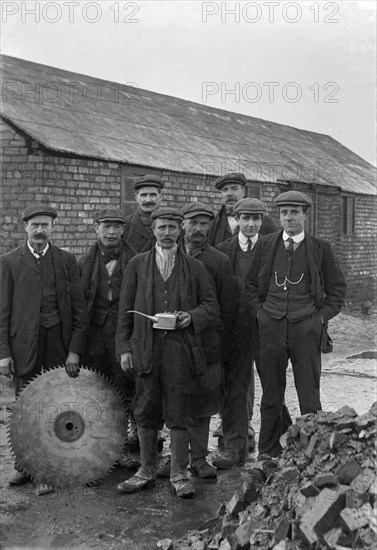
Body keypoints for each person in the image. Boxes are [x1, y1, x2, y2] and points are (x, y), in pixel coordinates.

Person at [116, 207, 220, 498]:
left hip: (180, 351)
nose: (167, 233)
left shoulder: (195, 268)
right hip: (145, 350)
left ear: (181, 230)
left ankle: (178, 473)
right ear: (153, 230)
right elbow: (124, 311)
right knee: (146, 407)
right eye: (162, 227)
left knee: (178, 410)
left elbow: (211, 306)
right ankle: (146, 470)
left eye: (173, 228)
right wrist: (124, 348)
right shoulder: (137, 265)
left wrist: (191, 316)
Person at [245, 190, 346, 458]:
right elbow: (250, 285)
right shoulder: (266, 244)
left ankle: (312, 453)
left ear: (305, 215)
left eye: (294, 212)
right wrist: (260, 313)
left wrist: (319, 318)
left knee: (309, 394)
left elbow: (337, 291)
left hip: (306, 329)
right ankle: (267, 452)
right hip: (271, 327)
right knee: (271, 394)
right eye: (284, 213)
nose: (288, 218)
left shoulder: (320, 248)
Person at [0, 203, 88, 492]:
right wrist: (3, 353)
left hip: (57, 344)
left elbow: (78, 309)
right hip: (23, 344)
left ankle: (47, 468)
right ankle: (23, 465)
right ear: (24, 227)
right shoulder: (9, 261)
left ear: (53, 228)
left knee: (54, 405)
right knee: (27, 407)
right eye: (34, 224)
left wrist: (74, 349)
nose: (40, 230)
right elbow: (2, 311)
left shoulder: (65, 261)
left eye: (45, 225)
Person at [157, 202, 237, 479]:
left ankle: (200, 459)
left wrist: (218, 343)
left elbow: (225, 307)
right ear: (183, 226)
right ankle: (176, 457)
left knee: (203, 401)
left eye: (205, 224)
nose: (199, 229)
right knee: (177, 399)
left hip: (206, 341)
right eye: (193, 223)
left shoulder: (219, 260)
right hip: (174, 343)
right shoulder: (168, 256)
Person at [78, 208, 138, 469]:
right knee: (95, 388)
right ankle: (95, 446)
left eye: (117, 227)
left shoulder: (135, 259)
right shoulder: (84, 262)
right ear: (96, 228)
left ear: (123, 230)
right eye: (106, 226)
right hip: (94, 335)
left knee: (123, 387)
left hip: (123, 334)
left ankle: (120, 445)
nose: (111, 232)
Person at [215, 198, 268, 464]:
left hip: (263, 324)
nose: (250, 224)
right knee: (236, 382)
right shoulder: (223, 250)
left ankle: (272, 446)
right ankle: (235, 438)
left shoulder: (271, 248)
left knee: (270, 380)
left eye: (256, 219)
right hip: (235, 327)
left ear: (261, 222)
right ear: (236, 220)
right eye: (245, 218)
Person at [208, 172, 277, 247]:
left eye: (234, 188)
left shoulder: (265, 222)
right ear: (221, 195)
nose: (229, 193)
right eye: (225, 190)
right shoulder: (213, 223)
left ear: (243, 192)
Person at [122, 175, 164, 253]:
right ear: (136, 197)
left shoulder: (171, 225)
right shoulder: (125, 225)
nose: (148, 200)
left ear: (160, 197)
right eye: (144, 195)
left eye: (153, 195)